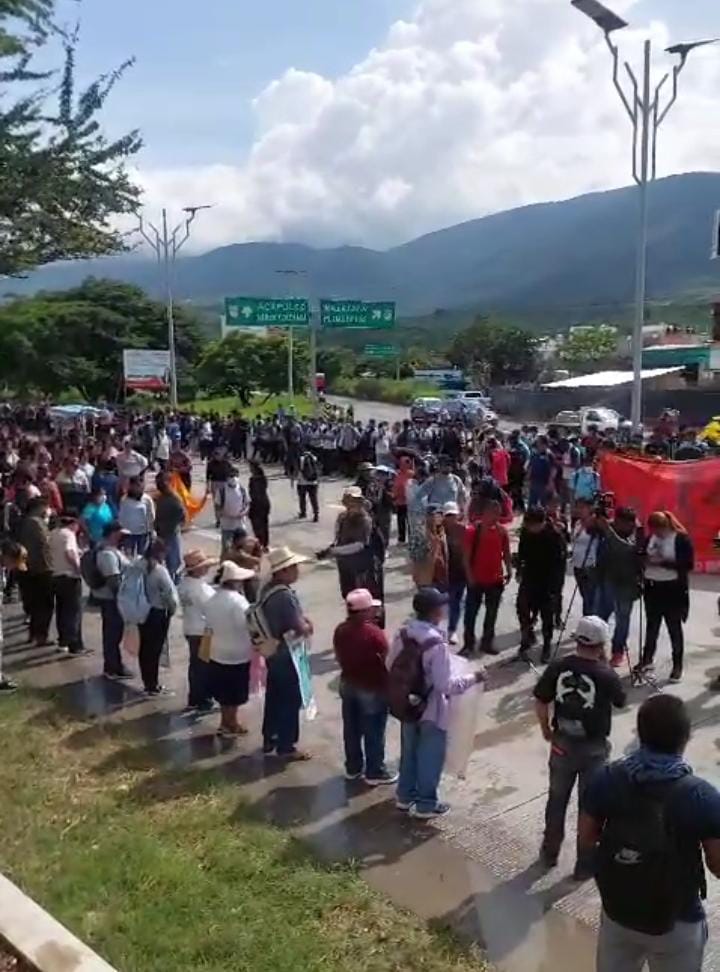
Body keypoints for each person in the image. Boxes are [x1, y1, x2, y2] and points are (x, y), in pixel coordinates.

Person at [580, 694, 720, 972]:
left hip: (618, 912)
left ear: (640, 733)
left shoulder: (607, 778)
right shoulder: (701, 796)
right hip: (677, 921)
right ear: (686, 738)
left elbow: (586, 838)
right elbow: (718, 866)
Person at [534, 616, 626, 876]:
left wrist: (546, 729)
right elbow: (620, 701)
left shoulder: (558, 666)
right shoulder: (605, 674)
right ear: (601, 643)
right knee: (590, 807)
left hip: (562, 743)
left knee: (556, 800)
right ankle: (584, 863)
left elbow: (541, 700)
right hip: (594, 749)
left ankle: (550, 852)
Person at [388, 587, 484, 818]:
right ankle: (426, 804)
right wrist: (474, 678)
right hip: (432, 709)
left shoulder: (402, 634)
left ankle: (405, 796)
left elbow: (390, 664)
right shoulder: (436, 643)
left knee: (409, 751)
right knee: (430, 756)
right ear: (434, 612)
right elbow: (445, 686)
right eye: (442, 605)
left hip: (406, 704)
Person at [333, 588, 396, 785]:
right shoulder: (373, 633)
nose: (375, 612)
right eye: (371, 609)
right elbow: (389, 659)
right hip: (371, 687)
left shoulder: (340, 630)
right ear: (362, 611)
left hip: (347, 683)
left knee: (352, 729)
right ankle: (374, 771)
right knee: (374, 730)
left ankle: (353, 767)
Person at [261, 546, 312, 759]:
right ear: (283, 571)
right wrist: (308, 626)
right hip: (286, 653)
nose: (297, 571)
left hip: (272, 651)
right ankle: (286, 745)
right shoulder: (284, 596)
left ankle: (270, 737)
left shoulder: (266, 590)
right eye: (293, 567)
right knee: (290, 699)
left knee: (274, 696)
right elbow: (298, 626)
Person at [637, 511, 694, 684]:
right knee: (652, 627)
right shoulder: (650, 539)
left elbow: (687, 564)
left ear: (666, 526)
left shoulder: (680, 539)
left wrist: (662, 562)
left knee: (674, 628)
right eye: (654, 530)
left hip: (672, 589)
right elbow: (640, 554)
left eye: (659, 530)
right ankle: (647, 660)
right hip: (653, 587)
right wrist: (643, 559)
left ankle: (677, 665)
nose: (657, 534)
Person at [204, 560, 256, 737]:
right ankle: (230, 724)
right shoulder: (238, 602)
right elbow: (248, 626)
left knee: (224, 692)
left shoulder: (212, 599)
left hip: (217, 651)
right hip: (237, 653)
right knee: (233, 693)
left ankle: (225, 722)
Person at [594, 507, 643, 668]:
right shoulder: (610, 528)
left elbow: (626, 550)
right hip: (608, 579)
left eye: (620, 522)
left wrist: (608, 531)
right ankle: (597, 648)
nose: (616, 524)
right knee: (601, 616)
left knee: (622, 620)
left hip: (627, 584)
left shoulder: (637, 533)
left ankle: (618, 650)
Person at [516, 507, 567, 663]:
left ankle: (546, 646)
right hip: (530, 576)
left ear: (542, 523)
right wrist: (519, 569)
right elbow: (522, 551)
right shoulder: (526, 532)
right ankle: (527, 637)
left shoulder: (555, 536)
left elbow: (560, 565)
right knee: (522, 607)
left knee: (547, 617)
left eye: (533, 525)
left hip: (548, 580)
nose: (530, 528)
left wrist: (555, 589)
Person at [462, 500, 512, 657]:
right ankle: (468, 644)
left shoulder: (502, 531)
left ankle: (487, 643)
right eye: (492, 512)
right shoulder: (472, 531)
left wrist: (509, 569)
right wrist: (469, 577)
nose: (496, 516)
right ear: (484, 513)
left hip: (495, 580)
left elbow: (506, 553)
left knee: (492, 614)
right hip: (476, 580)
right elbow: (466, 557)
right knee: (470, 614)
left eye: (498, 513)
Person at [136, 539, 179, 695]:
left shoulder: (138, 565)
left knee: (145, 648)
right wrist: (172, 609)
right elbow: (169, 594)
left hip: (142, 611)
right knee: (154, 650)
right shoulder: (160, 571)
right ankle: (153, 685)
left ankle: (147, 681)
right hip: (158, 612)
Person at [177, 549, 216, 712]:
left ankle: (195, 697)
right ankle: (202, 699)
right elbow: (212, 609)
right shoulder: (201, 589)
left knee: (195, 665)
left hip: (190, 627)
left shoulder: (184, 584)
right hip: (202, 630)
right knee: (203, 667)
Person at [95, 521, 133, 680]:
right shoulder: (107, 554)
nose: (123, 537)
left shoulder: (111, 550)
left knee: (114, 633)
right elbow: (113, 580)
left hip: (113, 599)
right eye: (120, 533)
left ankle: (114, 665)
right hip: (112, 600)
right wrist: (123, 599)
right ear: (113, 534)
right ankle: (112, 667)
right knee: (112, 634)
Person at [18, 496, 54, 647]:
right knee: (45, 604)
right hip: (41, 569)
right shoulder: (37, 523)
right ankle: (41, 636)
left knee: (34, 603)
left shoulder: (25, 522)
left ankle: (33, 633)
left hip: (28, 567)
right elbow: (44, 546)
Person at [49, 515, 86, 655]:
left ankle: (62, 641)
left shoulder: (53, 533)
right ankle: (75, 645)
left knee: (61, 610)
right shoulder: (68, 534)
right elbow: (69, 553)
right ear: (74, 523)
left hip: (55, 575)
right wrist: (78, 569)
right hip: (69, 576)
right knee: (74, 612)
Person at [154, 471, 186, 582]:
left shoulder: (174, 498)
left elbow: (182, 517)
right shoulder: (160, 497)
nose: (159, 484)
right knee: (164, 563)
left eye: (161, 481)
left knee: (174, 563)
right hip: (161, 534)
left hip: (171, 534)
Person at [443, 502, 467, 646]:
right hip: (444, 573)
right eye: (448, 515)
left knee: (456, 603)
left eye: (453, 515)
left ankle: (452, 630)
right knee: (442, 603)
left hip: (461, 572)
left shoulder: (464, 530)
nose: (451, 518)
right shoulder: (438, 531)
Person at [571, 499, 600, 616]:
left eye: (583, 508)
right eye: (578, 507)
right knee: (585, 597)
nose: (580, 510)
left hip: (589, 566)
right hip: (577, 565)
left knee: (589, 600)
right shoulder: (578, 523)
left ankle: (588, 627)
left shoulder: (595, 524)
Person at [118, 477, 155, 556]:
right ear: (131, 486)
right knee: (128, 555)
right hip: (128, 533)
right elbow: (121, 516)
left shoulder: (147, 499)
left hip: (143, 533)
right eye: (136, 485)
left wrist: (151, 530)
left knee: (142, 555)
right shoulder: (124, 500)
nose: (138, 488)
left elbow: (151, 515)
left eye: (140, 486)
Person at [218, 469, 250, 554]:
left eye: (235, 476)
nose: (233, 478)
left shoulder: (242, 489)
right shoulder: (222, 490)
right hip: (227, 525)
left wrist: (243, 513)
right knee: (226, 548)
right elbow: (217, 506)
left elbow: (247, 504)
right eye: (231, 476)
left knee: (242, 548)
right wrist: (225, 514)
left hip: (240, 525)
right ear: (227, 478)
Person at [248, 460, 271, 550]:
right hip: (265, 502)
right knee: (264, 525)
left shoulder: (253, 480)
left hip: (257, 504)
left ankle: (260, 543)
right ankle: (265, 544)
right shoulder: (263, 478)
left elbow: (253, 494)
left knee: (257, 525)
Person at [528, 436, 554, 508]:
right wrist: (529, 478)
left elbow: (553, 469)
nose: (537, 443)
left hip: (544, 482)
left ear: (544, 444)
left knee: (543, 503)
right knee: (532, 502)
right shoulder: (535, 453)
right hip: (534, 481)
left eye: (539, 442)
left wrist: (550, 482)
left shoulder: (549, 455)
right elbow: (531, 466)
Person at [297, 447, 320, 523]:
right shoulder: (314, 458)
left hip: (302, 482)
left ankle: (303, 513)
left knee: (302, 498)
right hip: (313, 482)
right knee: (314, 499)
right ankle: (316, 514)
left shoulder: (301, 459)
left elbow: (298, 469)